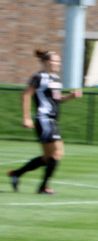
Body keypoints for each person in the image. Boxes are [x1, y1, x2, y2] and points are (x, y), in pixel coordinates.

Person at [7, 49, 82, 195]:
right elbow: (26, 95)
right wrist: (26, 117)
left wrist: (71, 96)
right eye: (55, 61)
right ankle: (43, 187)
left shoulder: (56, 79)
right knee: (58, 153)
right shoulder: (39, 77)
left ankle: (16, 174)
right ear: (46, 62)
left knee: (48, 158)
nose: (58, 64)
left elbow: (57, 100)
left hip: (52, 120)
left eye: (59, 61)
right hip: (44, 119)